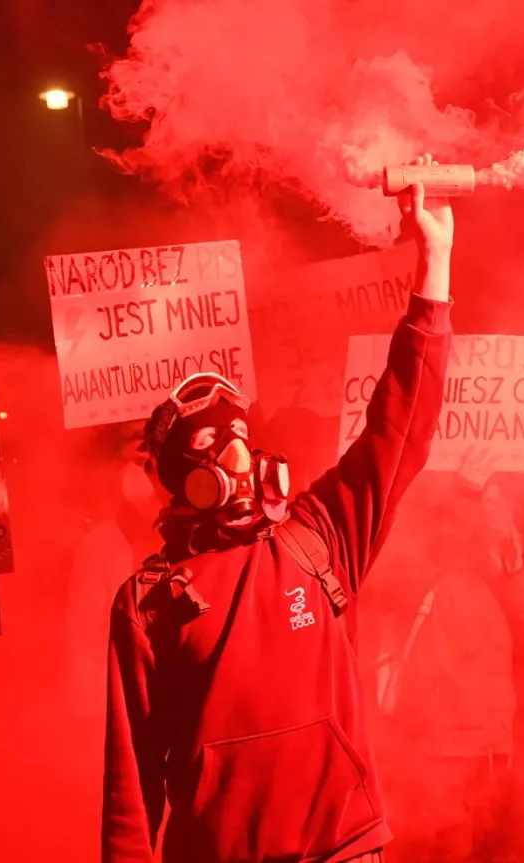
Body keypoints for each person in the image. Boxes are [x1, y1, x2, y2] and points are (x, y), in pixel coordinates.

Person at [100, 154, 455, 863]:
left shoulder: (316, 535)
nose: (237, 456)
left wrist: (434, 268)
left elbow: (401, 425)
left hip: (343, 852)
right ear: (183, 479)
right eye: (213, 447)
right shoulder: (149, 602)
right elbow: (130, 785)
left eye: (241, 437)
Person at [375, 467, 524, 863]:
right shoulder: (415, 578)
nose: (469, 528)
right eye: (457, 519)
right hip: (439, 765)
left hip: (494, 761)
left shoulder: (497, 576)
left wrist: (513, 569)